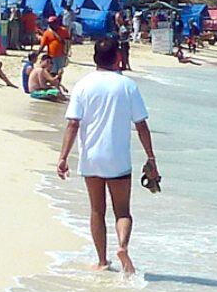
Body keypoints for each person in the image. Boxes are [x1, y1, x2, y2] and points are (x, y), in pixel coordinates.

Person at [57, 37, 158, 275]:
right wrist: (151, 158)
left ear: (94, 59)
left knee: (96, 210)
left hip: (91, 157)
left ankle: (102, 261)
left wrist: (63, 157)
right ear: (118, 58)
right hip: (118, 158)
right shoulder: (127, 86)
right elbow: (141, 125)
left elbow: (73, 124)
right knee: (122, 211)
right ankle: (122, 247)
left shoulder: (82, 85)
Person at [36, 16, 71, 83]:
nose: (51, 25)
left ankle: (58, 86)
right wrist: (37, 54)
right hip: (52, 56)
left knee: (60, 72)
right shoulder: (47, 33)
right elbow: (42, 46)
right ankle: (54, 86)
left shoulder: (64, 31)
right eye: (50, 23)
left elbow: (68, 42)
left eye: (53, 23)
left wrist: (67, 51)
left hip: (62, 55)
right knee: (52, 72)